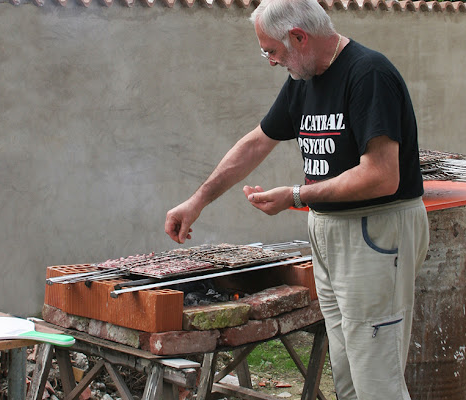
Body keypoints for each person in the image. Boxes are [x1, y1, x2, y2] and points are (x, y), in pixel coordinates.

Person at [164, 0, 429, 398]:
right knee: (348, 373)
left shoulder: (368, 74)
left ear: (300, 37)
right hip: (329, 230)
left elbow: (381, 175)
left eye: (272, 50)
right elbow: (257, 142)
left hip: (375, 231)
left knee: (377, 376)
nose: (270, 61)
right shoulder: (303, 81)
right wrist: (198, 200)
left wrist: (295, 195)